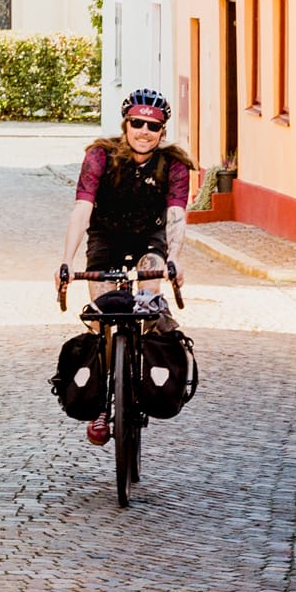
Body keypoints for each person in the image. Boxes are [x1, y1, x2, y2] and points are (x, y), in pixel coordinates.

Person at [58, 89, 197, 443]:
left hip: (149, 240)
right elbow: (82, 210)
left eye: (153, 126)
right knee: (103, 317)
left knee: (148, 303)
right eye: (137, 123)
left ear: (163, 132)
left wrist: (174, 258)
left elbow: (176, 215)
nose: (144, 131)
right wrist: (66, 261)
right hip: (105, 238)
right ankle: (104, 401)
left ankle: (144, 377)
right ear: (125, 125)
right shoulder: (100, 157)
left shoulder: (174, 164)